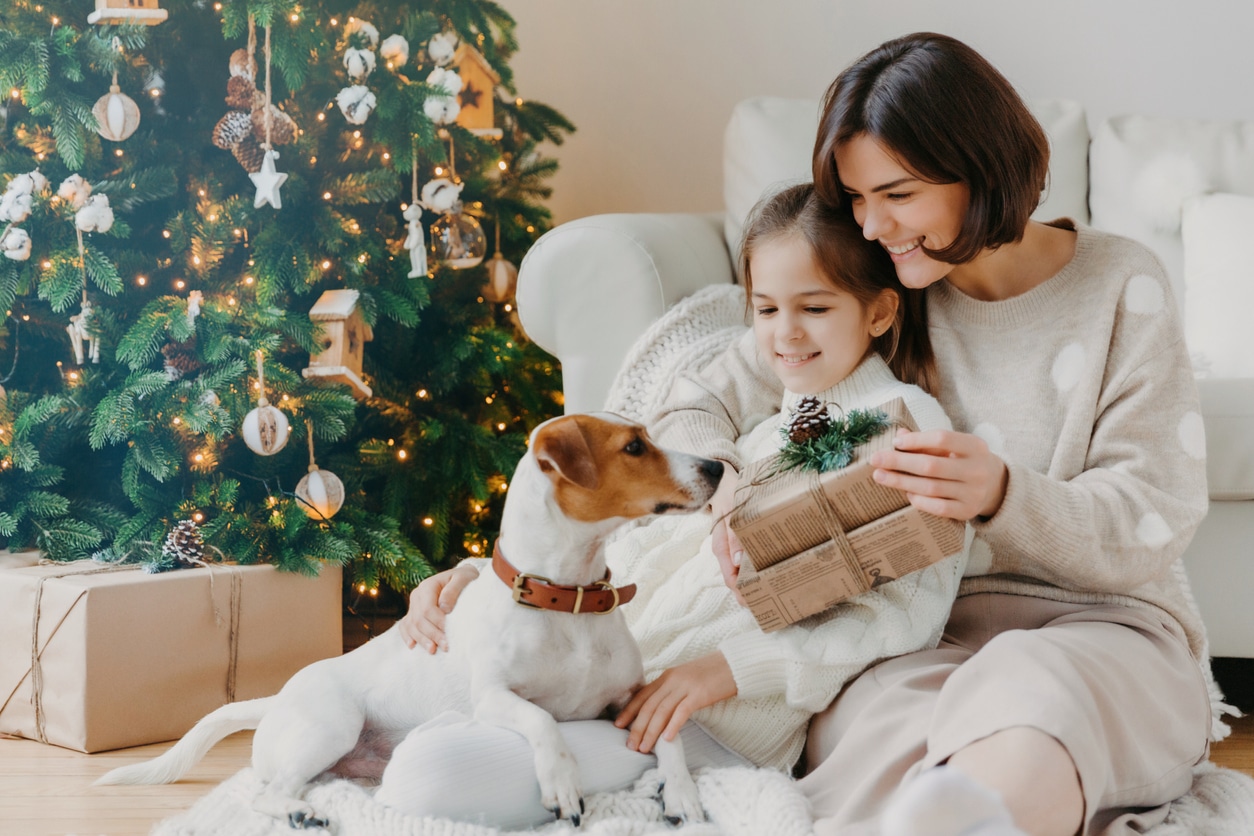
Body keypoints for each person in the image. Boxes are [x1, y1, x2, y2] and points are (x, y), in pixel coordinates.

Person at [648, 32, 1217, 836]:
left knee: (1036, 700)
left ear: (978, 165)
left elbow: (1151, 512)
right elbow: (697, 397)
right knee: (885, 736)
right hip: (915, 637)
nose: (873, 225)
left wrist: (1004, 495)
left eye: (899, 194)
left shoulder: (1122, 284)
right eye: (855, 197)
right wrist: (724, 481)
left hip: (1103, 626)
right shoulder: (881, 287)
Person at [385, 182, 968, 829]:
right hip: (606, 674)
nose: (785, 334)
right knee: (397, 700)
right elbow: (618, 536)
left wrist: (730, 670)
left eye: (816, 307)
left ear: (881, 312)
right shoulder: (772, 420)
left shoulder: (904, 433)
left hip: (705, 721)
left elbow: (905, 620)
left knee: (426, 772)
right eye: (767, 309)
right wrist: (478, 581)